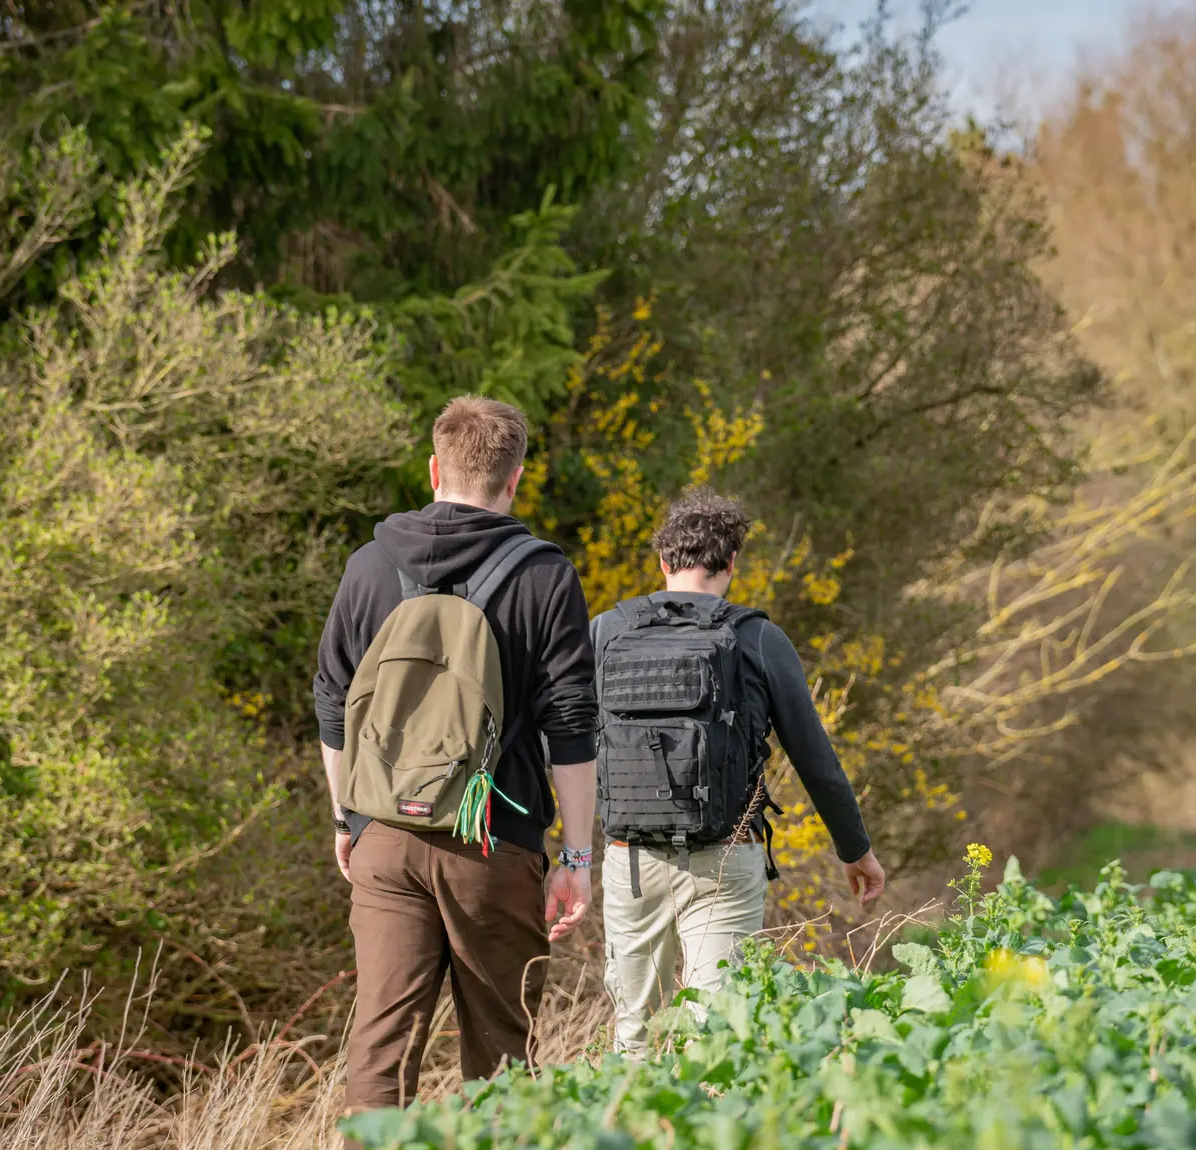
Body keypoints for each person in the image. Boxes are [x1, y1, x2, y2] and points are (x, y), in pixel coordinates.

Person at [313, 395, 598, 1113]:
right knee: (504, 1049)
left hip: (386, 839)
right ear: (516, 479)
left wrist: (348, 818)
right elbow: (571, 724)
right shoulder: (544, 575)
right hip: (494, 842)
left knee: (382, 1044)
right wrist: (577, 858)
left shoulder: (369, 566)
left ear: (433, 467)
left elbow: (331, 699)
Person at [592, 487, 885, 1056]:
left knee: (634, 1036)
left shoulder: (608, 630)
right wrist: (856, 850)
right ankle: (714, 1139)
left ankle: (630, 1139)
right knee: (717, 1037)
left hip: (630, 859)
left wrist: (570, 856)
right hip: (726, 856)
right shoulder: (756, 637)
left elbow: (575, 745)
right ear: (731, 564)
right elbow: (814, 758)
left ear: (663, 562)